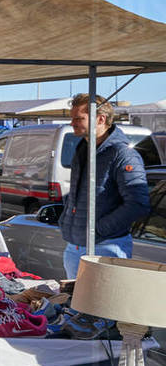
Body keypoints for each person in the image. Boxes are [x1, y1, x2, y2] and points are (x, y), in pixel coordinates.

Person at [59, 94, 149, 278]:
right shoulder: (83, 150)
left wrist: (98, 229)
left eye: (79, 118)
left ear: (101, 119)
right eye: (72, 117)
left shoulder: (123, 155)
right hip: (77, 246)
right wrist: (66, 219)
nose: (72, 123)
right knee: (73, 305)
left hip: (105, 248)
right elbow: (80, 195)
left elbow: (138, 204)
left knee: (99, 307)